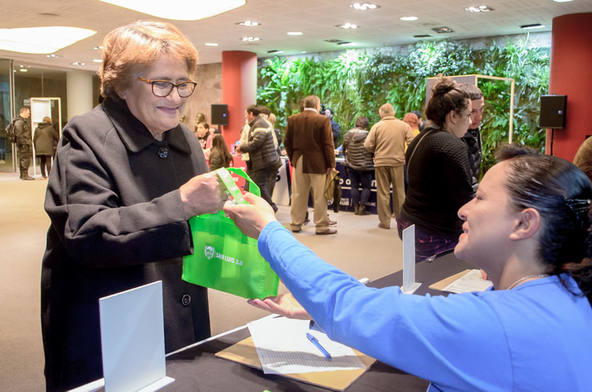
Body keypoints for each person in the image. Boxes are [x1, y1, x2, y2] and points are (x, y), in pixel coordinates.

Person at [224, 144, 592, 392]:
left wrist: (268, 230)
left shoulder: (500, 325)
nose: (464, 209)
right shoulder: (564, 298)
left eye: (480, 197)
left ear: (524, 224)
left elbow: (345, 305)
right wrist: (317, 309)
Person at [41, 21, 227, 391]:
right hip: (111, 328)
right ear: (121, 83)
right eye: (161, 83)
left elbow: (196, 228)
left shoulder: (185, 139)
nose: (175, 97)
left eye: (182, 84)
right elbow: (87, 233)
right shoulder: (86, 136)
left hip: (179, 312)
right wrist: (182, 203)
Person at [399, 79, 474, 261]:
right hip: (434, 232)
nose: (471, 121)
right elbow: (464, 199)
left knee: (413, 278)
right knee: (437, 284)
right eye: (468, 114)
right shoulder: (452, 146)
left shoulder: (421, 139)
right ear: (453, 116)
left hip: (410, 221)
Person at [284, 95, 336, 235]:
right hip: (318, 162)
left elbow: (287, 142)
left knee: (298, 194)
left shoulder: (293, 119)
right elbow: (328, 144)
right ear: (317, 105)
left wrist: (293, 158)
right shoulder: (323, 120)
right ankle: (321, 226)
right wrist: (331, 163)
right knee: (319, 195)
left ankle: (295, 224)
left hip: (299, 160)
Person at [364, 103, 415, 229]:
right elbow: (412, 142)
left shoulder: (377, 126)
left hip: (381, 162)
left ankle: (385, 222)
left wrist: (377, 149)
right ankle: (402, 221)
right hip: (398, 162)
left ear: (381, 113)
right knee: (400, 193)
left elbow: (367, 145)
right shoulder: (403, 126)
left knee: (383, 193)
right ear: (394, 112)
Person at [236, 105, 282, 212]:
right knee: (252, 186)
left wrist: (242, 148)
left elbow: (257, 142)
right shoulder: (257, 124)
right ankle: (254, 210)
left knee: (259, 187)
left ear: (251, 114)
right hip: (258, 162)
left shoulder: (260, 124)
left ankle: (271, 207)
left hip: (264, 162)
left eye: (246, 114)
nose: (245, 116)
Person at [342, 116, 373, 215]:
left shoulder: (348, 134)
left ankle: (355, 207)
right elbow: (372, 149)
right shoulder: (369, 135)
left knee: (354, 186)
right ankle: (362, 208)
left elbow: (343, 148)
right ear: (366, 125)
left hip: (351, 165)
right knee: (366, 187)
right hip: (365, 166)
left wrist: (347, 156)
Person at [460, 84, 485, 189]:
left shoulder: (475, 130)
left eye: (481, 109)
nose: (479, 117)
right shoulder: (453, 138)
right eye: (473, 111)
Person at [14, 107, 33, 180]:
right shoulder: (20, 122)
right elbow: (19, 134)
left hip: (24, 143)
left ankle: (23, 175)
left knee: (24, 159)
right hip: (23, 144)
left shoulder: (21, 121)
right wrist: (23, 143)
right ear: (24, 112)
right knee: (25, 159)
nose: (29, 115)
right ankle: (24, 175)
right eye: (28, 113)